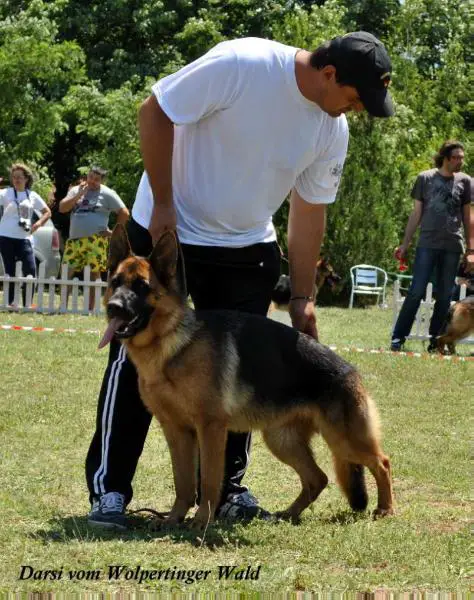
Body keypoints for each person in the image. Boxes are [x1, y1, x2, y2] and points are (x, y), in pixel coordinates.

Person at [86, 32, 395, 529]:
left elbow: (309, 210)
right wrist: (163, 201)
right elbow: (154, 111)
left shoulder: (331, 129)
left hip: (247, 249)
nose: (355, 110)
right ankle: (111, 491)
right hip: (171, 233)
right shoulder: (242, 63)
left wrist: (301, 295)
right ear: (330, 74)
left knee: (237, 380)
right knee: (134, 364)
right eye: (356, 98)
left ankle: (227, 491)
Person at [390, 140, 471, 352]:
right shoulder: (425, 178)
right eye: (455, 157)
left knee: (445, 296)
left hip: (453, 245)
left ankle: (436, 340)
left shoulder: (466, 181)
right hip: (427, 243)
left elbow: (467, 216)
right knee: (416, 291)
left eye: (462, 157)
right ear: (444, 157)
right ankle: (398, 337)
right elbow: (416, 213)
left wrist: (471, 250)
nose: (459, 161)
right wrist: (405, 244)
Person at [59, 167, 129, 311]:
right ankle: (63, 307)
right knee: (67, 272)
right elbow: (62, 208)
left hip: (95, 240)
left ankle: (91, 309)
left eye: (96, 179)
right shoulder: (76, 190)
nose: (92, 181)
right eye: (90, 177)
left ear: (102, 181)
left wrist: (113, 233)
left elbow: (124, 212)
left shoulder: (108, 194)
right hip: (74, 240)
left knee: (93, 275)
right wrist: (79, 194)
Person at [0, 163, 51, 306]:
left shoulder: (32, 195)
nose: (16, 180)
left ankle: (28, 303)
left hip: (25, 237)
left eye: (19, 177)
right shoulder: (5, 193)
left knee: (30, 269)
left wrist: (38, 224)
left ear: (26, 179)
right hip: (5, 236)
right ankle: (11, 302)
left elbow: (47, 212)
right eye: (14, 177)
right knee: (10, 270)